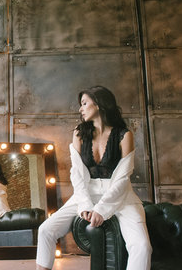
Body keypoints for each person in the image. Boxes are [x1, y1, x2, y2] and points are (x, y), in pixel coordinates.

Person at [36, 85, 151, 270]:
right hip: (86, 193)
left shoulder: (124, 135)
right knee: (45, 230)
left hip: (121, 196)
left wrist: (102, 209)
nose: (80, 109)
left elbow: (123, 178)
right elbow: (77, 174)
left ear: (98, 104)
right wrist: (86, 205)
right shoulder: (79, 133)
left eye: (84, 103)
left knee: (142, 247)